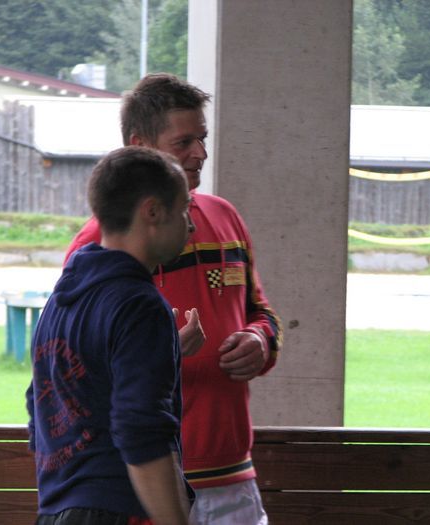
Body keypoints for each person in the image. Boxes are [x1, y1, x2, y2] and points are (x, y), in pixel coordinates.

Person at [64, 73, 282, 524]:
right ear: (140, 146)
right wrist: (158, 353)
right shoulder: (97, 245)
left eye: (202, 139)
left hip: (234, 476)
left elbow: (262, 313)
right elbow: (71, 371)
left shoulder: (226, 216)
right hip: (147, 482)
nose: (200, 153)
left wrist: (260, 341)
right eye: (184, 142)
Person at [26, 146, 194, 525]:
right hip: (118, 510)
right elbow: (142, 433)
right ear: (153, 211)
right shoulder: (140, 305)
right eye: (184, 209)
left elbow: (39, 407)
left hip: (56, 509)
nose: (191, 225)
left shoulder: (61, 300)